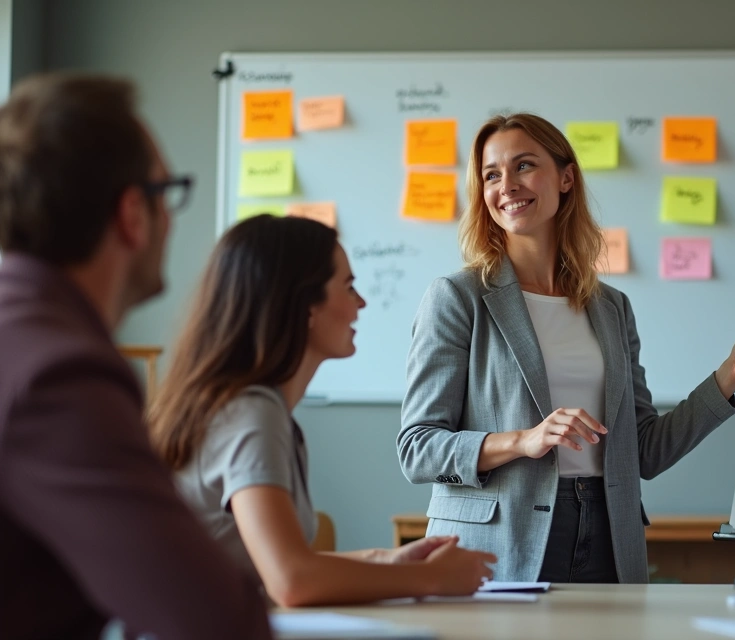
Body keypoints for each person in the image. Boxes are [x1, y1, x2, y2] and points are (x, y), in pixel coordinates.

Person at [397, 113, 735, 583]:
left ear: (566, 178)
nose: (507, 185)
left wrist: (730, 375)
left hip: (608, 531)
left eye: (524, 165)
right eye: (491, 174)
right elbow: (417, 448)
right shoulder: (457, 297)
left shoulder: (611, 308)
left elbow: (645, 451)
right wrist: (524, 440)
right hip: (501, 539)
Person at [0, 74, 270, 639]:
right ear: (132, 214)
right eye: (166, 192)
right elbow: (214, 619)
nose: (172, 219)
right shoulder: (58, 374)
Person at [148, 214, 496, 607]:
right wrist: (428, 578)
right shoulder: (251, 414)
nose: (361, 303)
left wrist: (385, 560)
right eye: (348, 286)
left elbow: (278, 565)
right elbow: (291, 581)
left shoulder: (258, 409)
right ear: (304, 304)